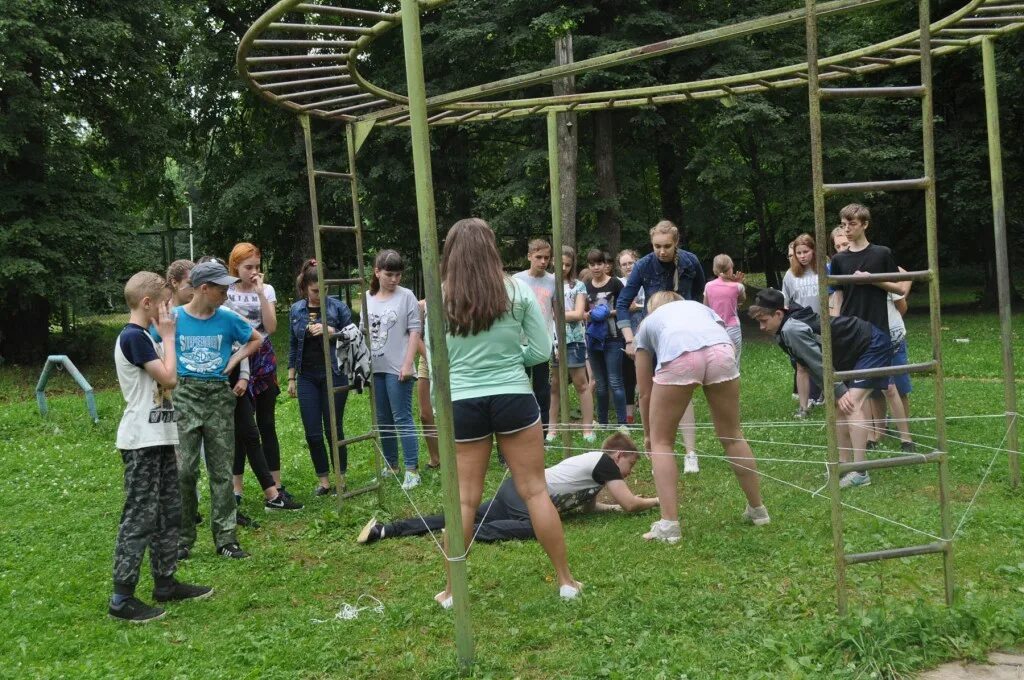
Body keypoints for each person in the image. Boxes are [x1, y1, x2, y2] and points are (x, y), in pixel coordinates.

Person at [430, 217, 580, 607]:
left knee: (463, 500)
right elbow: (541, 348)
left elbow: (436, 362)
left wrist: (436, 403)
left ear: (451, 251)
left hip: (462, 402)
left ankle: (451, 591)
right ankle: (565, 581)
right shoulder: (517, 290)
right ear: (491, 248)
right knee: (534, 491)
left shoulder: (440, 296)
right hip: (514, 396)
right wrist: (514, 360)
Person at [109, 272, 212, 623]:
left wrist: (166, 337)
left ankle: (165, 582)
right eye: (166, 304)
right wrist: (169, 336)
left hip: (162, 436)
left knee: (170, 512)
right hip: (141, 441)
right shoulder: (134, 338)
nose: (170, 311)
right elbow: (169, 378)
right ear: (147, 303)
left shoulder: (144, 338)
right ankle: (122, 598)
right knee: (140, 515)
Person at [636, 292, 770, 543]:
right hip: (722, 351)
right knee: (732, 435)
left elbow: (644, 392)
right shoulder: (698, 307)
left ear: (652, 309)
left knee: (662, 441)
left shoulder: (648, 323)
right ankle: (758, 509)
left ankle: (669, 525)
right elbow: (720, 334)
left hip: (680, 355)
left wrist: (648, 435)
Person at [357, 433, 658, 544]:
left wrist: (610, 507)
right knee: (536, 528)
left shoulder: (598, 470)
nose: (629, 473)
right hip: (523, 497)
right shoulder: (605, 462)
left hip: (515, 491)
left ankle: (387, 530)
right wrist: (657, 500)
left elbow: (590, 506)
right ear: (618, 456)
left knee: (465, 515)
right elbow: (631, 504)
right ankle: (468, 536)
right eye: (630, 465)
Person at [156, 260, 262, 560]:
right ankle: (182, 538)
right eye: (221, 288)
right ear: (204, 288)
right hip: (185, 395)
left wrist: (230, 365)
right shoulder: (174, 318)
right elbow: (147, 341)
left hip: (217, 396)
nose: (227, 293)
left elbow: (256, 340)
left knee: (220, 470)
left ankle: (226, 538)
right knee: (183, 470)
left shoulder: (228, 319)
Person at [749, 288, 892, 488]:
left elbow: (818, 362)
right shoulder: (785, 326)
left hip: (871, 344)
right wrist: (833, 391)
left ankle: (860, 472)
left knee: (851, 403)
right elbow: (809, 361)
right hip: (852, 349)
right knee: (838, 407)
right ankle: (843, 466)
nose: (762, 327)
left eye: (764, 320)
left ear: (779, 314)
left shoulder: (791, 329)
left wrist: (838, 389)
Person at [619, 220, 706, 474]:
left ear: (676, 242)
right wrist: (629, 338)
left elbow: (700, 296)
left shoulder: (690, 262)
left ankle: (691, 453)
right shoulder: (643, 265)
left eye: (667, 246)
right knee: (646, 393)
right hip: (652, 333)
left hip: (683, 335)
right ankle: (652, 445)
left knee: (684, 392)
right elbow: (624, 303)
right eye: (657, 246)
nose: (662, 251)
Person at [226, 243, 292, 503]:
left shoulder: (267, 289)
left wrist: (261, 294)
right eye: (248, 267)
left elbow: (272, 326)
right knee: (241, 428)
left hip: (263, 359)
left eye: (257, 266)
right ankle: (236, 490)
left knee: (267, 424)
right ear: (235, 267)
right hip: (236, 357)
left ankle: (276, 486)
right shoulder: (227, 292)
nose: (254, 272)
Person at [288, 259, 355, 495]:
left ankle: (341, 477)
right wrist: (291, 378)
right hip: (307, 376)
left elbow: (354, 337)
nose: (320, 294)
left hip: (334, 373)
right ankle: (324, 480)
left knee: (333, 428)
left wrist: (332, 331)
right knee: (312, 431)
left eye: (324, 289)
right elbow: (294, 345)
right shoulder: (296, 310)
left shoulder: (338, 308)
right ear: (305, 287)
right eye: (315, 290)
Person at [367, 250, 422, 490]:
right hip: (375, 367)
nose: (394, 279)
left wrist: (408, 364)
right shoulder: (368, 297)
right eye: (389, 274)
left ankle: (412, 470)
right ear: (377, 272)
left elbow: (415, 331)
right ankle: (391, 466)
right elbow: (364, 333)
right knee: (383, 419)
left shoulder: (406, 296)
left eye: (398, 274)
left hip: (399, 367)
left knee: (402, 418)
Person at [548, 245, 595, 443]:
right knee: (555, 385)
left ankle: (587, 427)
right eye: (561, 264)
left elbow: (578, 314)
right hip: (553, 339)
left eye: (568, 264)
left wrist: (556, 315)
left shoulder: (578, 286)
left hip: (574, 339)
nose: (564, 267)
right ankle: (551, 429)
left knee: (581, 383)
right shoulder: (548, 283)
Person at [513, 239, 556, 437]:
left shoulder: (553, 281)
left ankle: (543, 434)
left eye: (546, 258)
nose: (543, 261)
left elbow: (558, 312)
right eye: (538, 257)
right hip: (518, 343)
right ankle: (519, 431)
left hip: (542, 343)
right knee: (519, 389)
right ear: (529, 256)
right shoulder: (516, 280)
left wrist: (558, 344)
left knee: (542, 391)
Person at [584, 249, 627, 426]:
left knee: (615, 382)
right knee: (600, 385)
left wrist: (607, 313)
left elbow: (627, 306)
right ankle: (602, 423)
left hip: (614, 337)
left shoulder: (615, 283)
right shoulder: (585, 285)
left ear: (605, 265)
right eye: (592, 264)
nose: (596, 267)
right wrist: (588, 314)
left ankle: (622, 423)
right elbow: (583, 310)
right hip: (593, 339)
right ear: (588, 266)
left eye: (599, 264)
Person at [782, 234, 822, 419]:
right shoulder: (790, 275)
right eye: (798, 253)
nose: (802, 256)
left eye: (806, 251)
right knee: (802, 366)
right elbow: (786, 302)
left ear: (813, 250)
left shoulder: (822, 269)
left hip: (822, 323)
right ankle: (803, 407)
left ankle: (829, 398)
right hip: (800, 325)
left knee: (826, 363)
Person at [617, 249, 644, 425]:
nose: (628, 267)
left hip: (644, 331)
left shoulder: (644, 281)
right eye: (624, 264)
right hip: (625, 334)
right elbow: (618, 306)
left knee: (645, 374)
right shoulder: (619, 284)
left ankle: (646, 410)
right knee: (628, 376)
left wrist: (638, 306)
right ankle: (629, 414)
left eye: (631, 263)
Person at [703, 253, 746, 361]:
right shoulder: (738, 287)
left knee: (715, 358)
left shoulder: (708, 286)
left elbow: (705, 306)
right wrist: (738, 283)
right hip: (732, 326)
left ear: (715, 269)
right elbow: (742, 299)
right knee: (734, 358)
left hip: (715, 326)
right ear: (730, 268)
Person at [415, 300, 440, 469]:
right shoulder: (422, 305)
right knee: (425, 413)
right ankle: (435, 458)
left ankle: (459, 453)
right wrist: (431, 360)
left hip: (454, 358)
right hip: (427, 358)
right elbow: (415, 336)